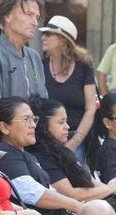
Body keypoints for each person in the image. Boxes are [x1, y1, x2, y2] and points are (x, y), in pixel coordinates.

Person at [0, 96, 83, 215]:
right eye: (26, 119)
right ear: (4, 127)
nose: (33, 125)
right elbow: (31, 192)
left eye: (34, 119)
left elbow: (50, 192)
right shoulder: (2, 152)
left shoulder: (29, 156)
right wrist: (77, 206)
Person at [39, 15, 97, 158]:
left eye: (48, 34)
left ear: (63, 39)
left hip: (76, 140)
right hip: (46, 142)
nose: (43, 37)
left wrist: (75, 142)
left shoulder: (84, 66)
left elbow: (90, 109)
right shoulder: (40, 66)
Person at [0, 0, 47, 105]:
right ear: (8, 16)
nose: (35, 22)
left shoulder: (34, 57)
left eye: (37, 17)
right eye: (28, 14)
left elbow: (44, 100)